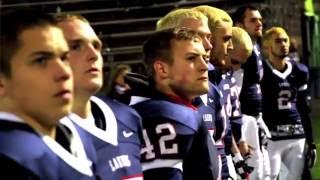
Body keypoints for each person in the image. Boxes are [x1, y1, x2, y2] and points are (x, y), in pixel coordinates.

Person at [0, 9, 98, 179]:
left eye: (64, 58)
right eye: (41, 60)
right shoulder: (10, 156)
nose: (64, 73)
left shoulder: (74, 135)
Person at [56, 14, 143, 180]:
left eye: (96, 46)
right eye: (75, 46)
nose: (93, 54)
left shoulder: (127, 116)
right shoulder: (39, 136)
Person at [133, 28, 218, 180]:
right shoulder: (163, 117)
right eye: (192, 58)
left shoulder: (184, 109)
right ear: (162, 69)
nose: (204, 66)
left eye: (204, 58)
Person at [156, 8, 221, 179]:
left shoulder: (210, 90)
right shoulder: (143, 110)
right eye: (197, 37)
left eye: (209, 37)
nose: (208, 45)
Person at [194, 5, 253, 180]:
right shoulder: (190, 84)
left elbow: (223, 133)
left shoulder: (217, 79)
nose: (230, 47)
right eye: (226, 39)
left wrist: (237, 159)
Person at [261, 27, 317, 180]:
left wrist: (311, 141)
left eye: (285, 40)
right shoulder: (261, 71)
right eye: (278, 41)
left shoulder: (299, 70)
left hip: (296, 134)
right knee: (268, 176)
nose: (283, 44)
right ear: (267, 45)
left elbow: (304, 108)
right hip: (272, 136)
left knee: (295, 177)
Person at [233, 5, 271, 179]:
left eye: (260, 19)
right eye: (253, 20)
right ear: (239, 25)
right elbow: (234, 89)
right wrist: (240, 133)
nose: (259, 23)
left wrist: (260, 115)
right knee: (255, 173)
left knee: (266, 172)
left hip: (255, 115)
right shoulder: (240, 50)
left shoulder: (254, 47)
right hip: (244, 117)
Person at [228, 26, 265, 180]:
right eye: (235, 62)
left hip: (237, 131)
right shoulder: (212, 77)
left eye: (242, 64)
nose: (237, 68)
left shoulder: (233, 74)